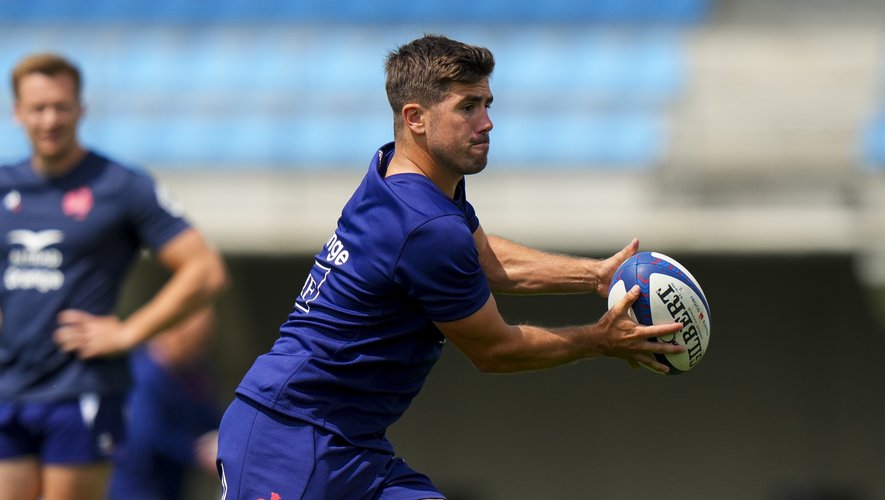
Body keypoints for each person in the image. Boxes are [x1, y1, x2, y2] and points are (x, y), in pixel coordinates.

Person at [216, 34, 685, 500]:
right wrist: (600, 340)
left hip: (347, 442)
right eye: (468, 107)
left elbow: (481, 259)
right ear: (415, 118)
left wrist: (595, 275)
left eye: (487, 104)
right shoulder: (425, 225)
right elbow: (496, 351)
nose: (487, 123)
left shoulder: (402, 174)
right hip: (290, 442)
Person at [0, 53, 229, 500]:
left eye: (61, 107)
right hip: (9, 386)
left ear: (80, 110)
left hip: (80, 390)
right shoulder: (5, 186)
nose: (50, 119)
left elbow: (205, 270)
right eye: (38, 108)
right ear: (18, 113)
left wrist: (128, 332)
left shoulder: (120, 185)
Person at [107, 305, 222, 500]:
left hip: (169, 488)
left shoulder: (188, 375)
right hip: (137, 488)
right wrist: (197, 453)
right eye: (199, 342)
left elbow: (209, 416)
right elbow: (148, 434)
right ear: (178, 333)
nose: (202, 351)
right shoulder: (144, 374)